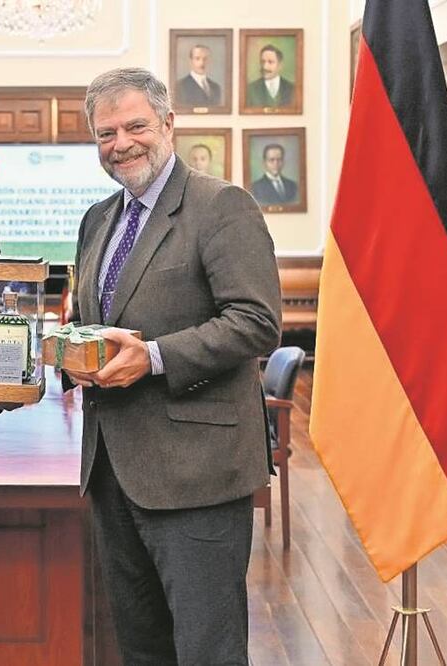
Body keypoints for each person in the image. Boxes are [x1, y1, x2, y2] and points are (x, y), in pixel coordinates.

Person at [67, 67, 281, 664]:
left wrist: (155, 358)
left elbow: (256, 321)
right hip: (112, 471)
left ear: (168, 123)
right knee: (142, 649)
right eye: (105, 133)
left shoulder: (221, 206)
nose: (121, 144)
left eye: (135, 126)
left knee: (208, 650)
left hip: (197, 474)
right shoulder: (98, 218)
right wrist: (75, 356)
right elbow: (98, 320)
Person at [245, 43, 296, 108]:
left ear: (280, 65)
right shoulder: (250, 89)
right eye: (262, 62)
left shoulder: (292, 89)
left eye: (270, 62)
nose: (265, 67)